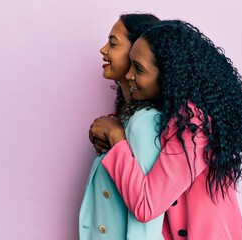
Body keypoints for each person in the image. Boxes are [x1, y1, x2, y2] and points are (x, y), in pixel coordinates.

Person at [92, 20, 242, 239]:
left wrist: (116, 138)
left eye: (139, 68)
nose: (129, 75)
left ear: (169, 75)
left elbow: (146, 205)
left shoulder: (194, 127)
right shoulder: (177, 113)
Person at [79, 13, 164, 240]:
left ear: (139, 50)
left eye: (113, 44)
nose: (104, 50)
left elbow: (146, 218)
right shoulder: (124, 119)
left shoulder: (145, 121)